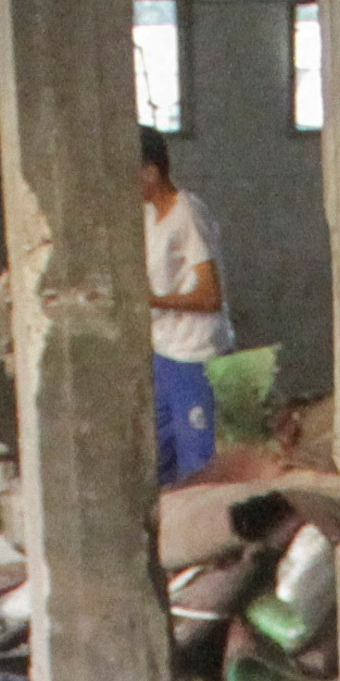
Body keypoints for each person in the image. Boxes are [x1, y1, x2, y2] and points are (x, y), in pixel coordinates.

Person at [140, 132, 232, 485]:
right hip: (164, 351)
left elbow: (211, 297)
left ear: (150, 172)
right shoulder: (149, 216)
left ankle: (203, 537)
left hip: (195, 354)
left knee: (198, 465)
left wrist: (149, 300)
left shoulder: (187, 213)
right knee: (161, 460)